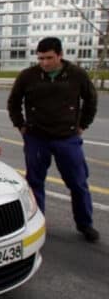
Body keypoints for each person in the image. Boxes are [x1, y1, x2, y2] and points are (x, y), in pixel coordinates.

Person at [8, 37, 99, 242]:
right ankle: (38, 224)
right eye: (40, 58)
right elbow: (13, 102)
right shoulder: (28, 76)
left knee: (78, 183)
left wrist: (82, 125)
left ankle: (85, 224)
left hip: (67, 139)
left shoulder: (77, 75)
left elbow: (91, 100)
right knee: (35, 182)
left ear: (60, 55)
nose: (45, 63)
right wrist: (21, 125)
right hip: (36, 139)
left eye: (49, 58)